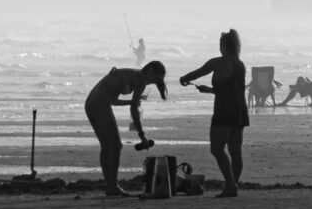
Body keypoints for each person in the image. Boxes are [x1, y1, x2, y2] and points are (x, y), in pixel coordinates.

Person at [179, 30, 248, 197]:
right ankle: (233, 185)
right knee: (235, 150)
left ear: (224, 46)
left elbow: (199, 72)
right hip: (240, 110)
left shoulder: (218, 62)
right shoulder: (240, 64)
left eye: (220, 45)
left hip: (224, 110)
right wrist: (210, 90)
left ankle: (230, 184)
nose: (219, 48)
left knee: (217, 149)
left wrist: (183, 78)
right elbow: (229, 89)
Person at [85, 61, 167, 197]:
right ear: (150, 70)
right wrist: (142, 135)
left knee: (107, 146)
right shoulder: (140, 79)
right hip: (100, 104)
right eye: (156, 78)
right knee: (116, 145)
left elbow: (113, 100)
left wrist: (132, 101)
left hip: (91, 103)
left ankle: (110, 186)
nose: (154, 82)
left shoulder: (133, 74)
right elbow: (133, 109)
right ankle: (112, 186)